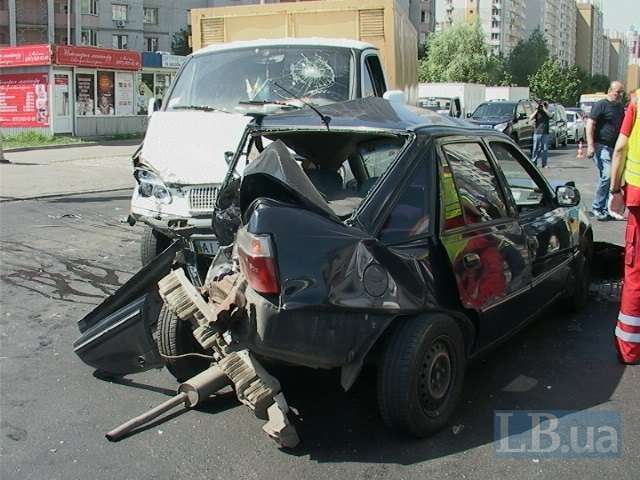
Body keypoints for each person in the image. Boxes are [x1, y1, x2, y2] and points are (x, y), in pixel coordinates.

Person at [609, 90, 640, 364]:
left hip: (639, 199)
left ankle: (630, 350)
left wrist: (615, 189)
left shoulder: (638, 101)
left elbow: (620, 148)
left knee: (636, 274)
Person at [586, 80, 625, 221]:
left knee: (613, 178)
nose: (620, 95)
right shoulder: (601, 105)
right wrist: (590, 145)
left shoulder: (620, 108)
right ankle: (597, 207)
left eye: (622, 92)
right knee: (607, 175)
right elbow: (590, 124)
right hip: (600, 146)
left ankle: (607, 208)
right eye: (617, 92)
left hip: (614, 149)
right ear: (610, 90)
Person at [529, 100, 551, 168]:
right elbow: (530, 118)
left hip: (545, 132)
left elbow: (550, 115)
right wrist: (537, 110)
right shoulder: (537, 112)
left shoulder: (546, 112)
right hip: (537, 132)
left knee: (544, 149)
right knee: (535, 148)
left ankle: (544, 164)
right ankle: (534, 162)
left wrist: (544, 108)